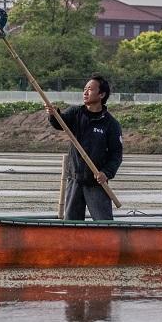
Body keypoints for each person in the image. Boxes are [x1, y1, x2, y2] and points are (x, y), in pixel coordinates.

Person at [51, 75, 122, 221]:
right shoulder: (76, 113)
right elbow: (59, 123)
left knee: (104, 223)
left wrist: (106, 173)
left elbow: (116, 155)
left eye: (90, 89)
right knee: (72, 224)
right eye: (84, 89)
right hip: (75, 179)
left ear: (101, 94)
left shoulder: (110, 124)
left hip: (97, 182)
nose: (85, 92)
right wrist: (53, 114)